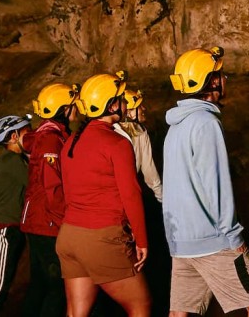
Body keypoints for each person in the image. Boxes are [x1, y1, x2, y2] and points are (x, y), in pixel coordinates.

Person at [163, 46, 249, 317]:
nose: (225, 81)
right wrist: (234, 236)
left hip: (181, 243)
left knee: (180, 314)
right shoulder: (205, 123)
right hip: (212, 241)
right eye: (221, 75)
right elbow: (217, 186)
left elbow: (173, 189)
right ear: (211, 82)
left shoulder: (175, 127)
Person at [57, 71, 152, 317]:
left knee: (77, 312)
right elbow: (131, 195)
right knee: (140, 306)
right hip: (101, 238)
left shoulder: (70, 143)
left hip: (69, 236)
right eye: (120, 99)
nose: (124, 104)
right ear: (111, 105)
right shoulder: (117, 144)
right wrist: (141, 240)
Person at [21, 82, 78, 317]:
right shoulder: (50, 140)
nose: (78, 109)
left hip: (39, 221)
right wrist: (66, 221)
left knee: (40, 283)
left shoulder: (49, 135)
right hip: (47, 223)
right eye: (73, 105)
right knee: (56, 287)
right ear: (63, 109)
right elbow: (52, 186)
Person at [0, 114, 33, 317]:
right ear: (13, 136)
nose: (31, 136)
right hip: (5, 229)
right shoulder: (11, 161)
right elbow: (35, 184)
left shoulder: (8, 160)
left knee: (3, 281)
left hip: (10, 227)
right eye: (26, 132)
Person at [114, 88, 163, 203]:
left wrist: (161, 196)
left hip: (121, 195)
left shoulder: (140, 132)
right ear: (129, 112)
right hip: (119, 196)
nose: (143, 108)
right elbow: (148, 169)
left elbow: (148, 169)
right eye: (139, 106)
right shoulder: (115, 134)